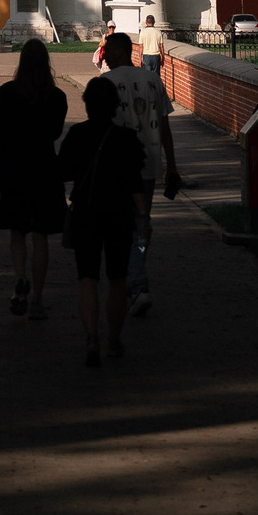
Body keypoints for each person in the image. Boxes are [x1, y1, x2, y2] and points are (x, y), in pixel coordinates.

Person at [61, 74, 148, 368]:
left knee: (87, 277)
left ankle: (91, 338)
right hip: (119, 215)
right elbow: (136, 183)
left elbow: (63, 173)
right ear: (114, 106)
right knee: (117, 278)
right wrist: (145, 217)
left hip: (85, 212)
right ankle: (113, 340)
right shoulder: (126, 140)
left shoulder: (76, 135)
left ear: (86, 104)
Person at [0, 38, 67, 320]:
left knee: (17, 230)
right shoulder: (56, 97)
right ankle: (37, 299)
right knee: (41, 235)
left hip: (13, 169)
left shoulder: (6, 92)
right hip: (44, 170)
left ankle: (20, 275)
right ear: (46, 64)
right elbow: (55, 133)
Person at [101, 29, 178, 317]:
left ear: (120, 51)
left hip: (115, 168)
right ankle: (137, 278)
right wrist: (171, 165)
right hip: (147, 167)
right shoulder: (152, 80)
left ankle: (132, 281)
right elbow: (165, 126)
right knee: (141, 224)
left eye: (108, 50)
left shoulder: (107, 82)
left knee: (118, 227)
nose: (104, 55)